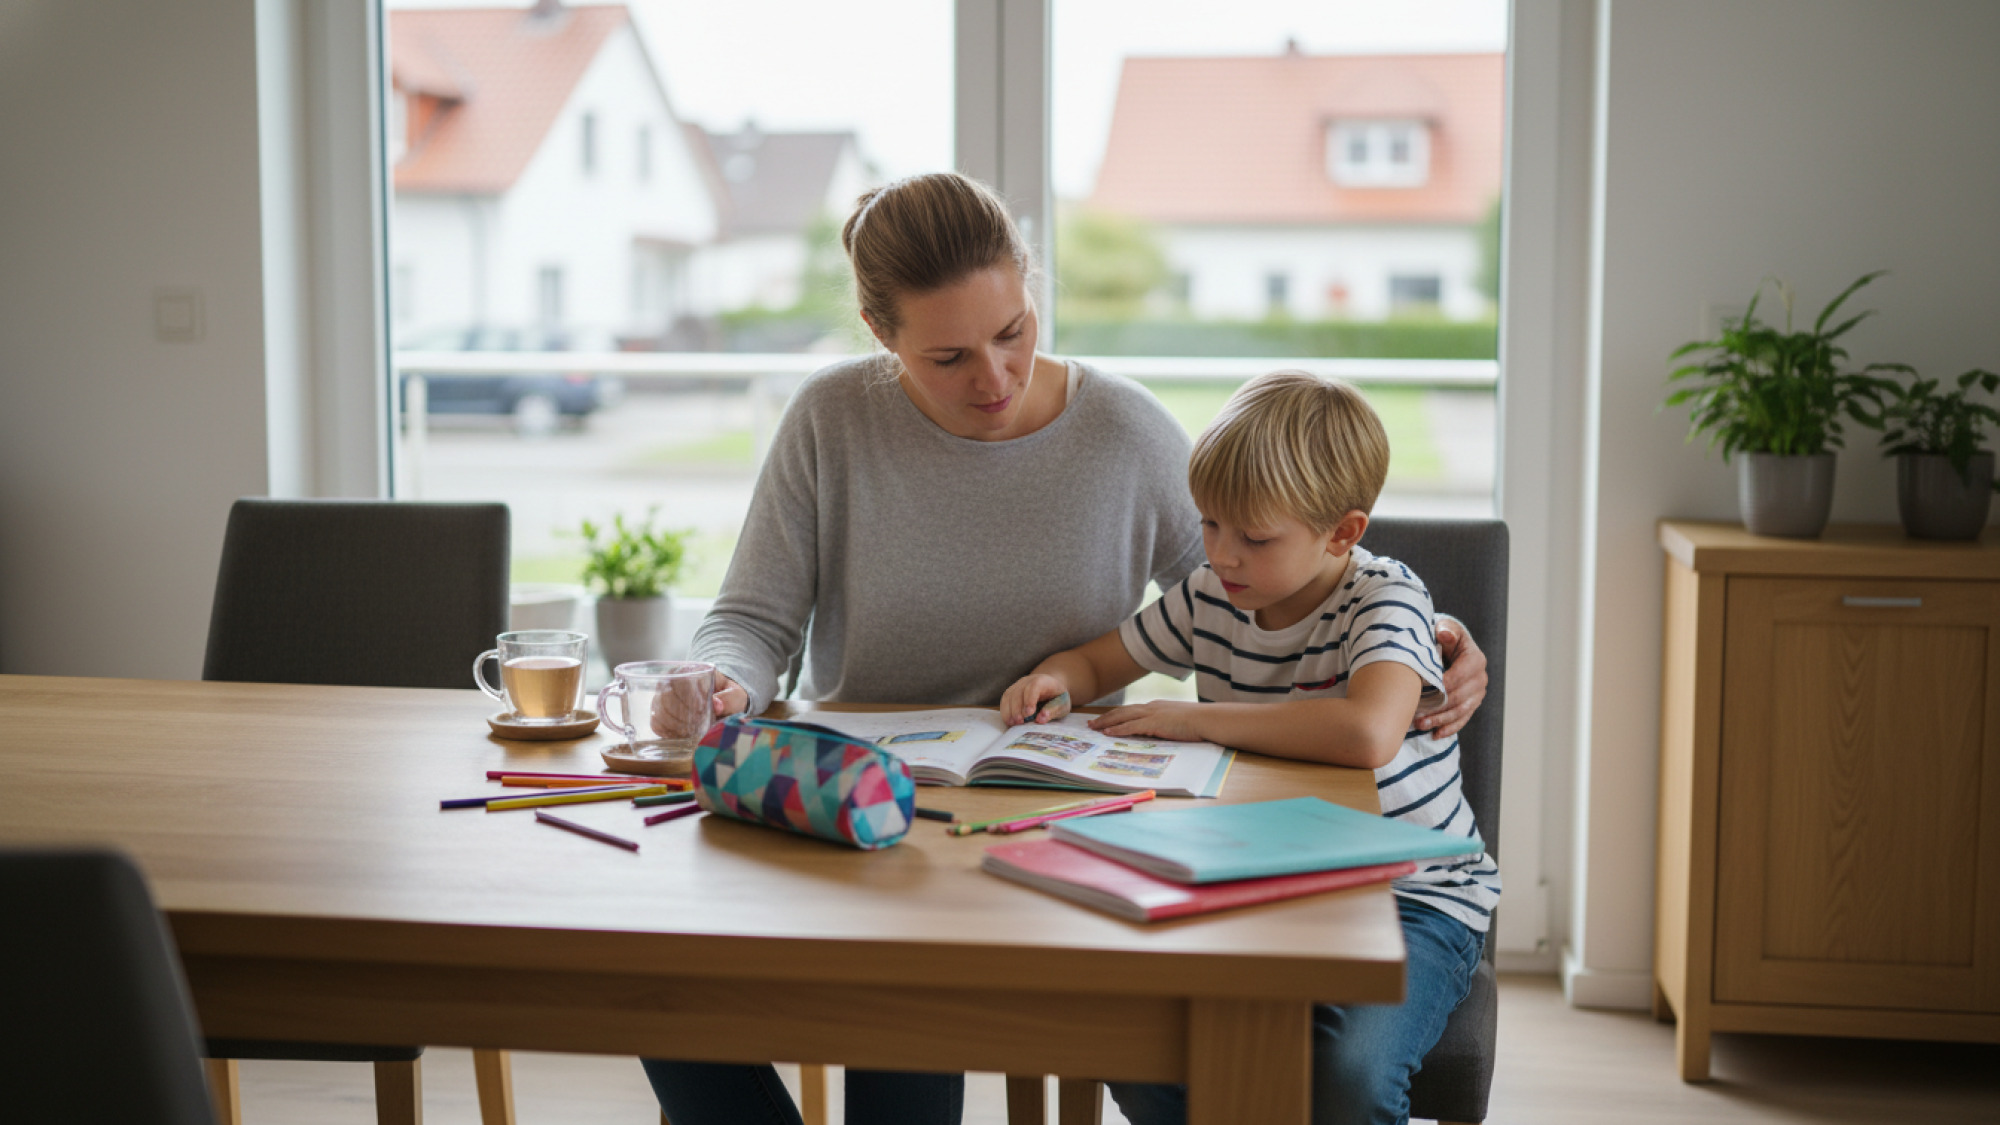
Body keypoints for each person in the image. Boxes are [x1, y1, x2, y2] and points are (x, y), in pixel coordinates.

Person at [642, 172, 1490, 1125]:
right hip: (853, 810)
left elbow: (1270, 579)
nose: (994, 378)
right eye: (951, 355)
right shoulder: (830, 420)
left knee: (910, 1050)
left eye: (1013, 331)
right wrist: (720, 679)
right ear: (884, 336)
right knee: (654, 982)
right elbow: (752, 621)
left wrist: (1438, 637)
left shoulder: (1124, 432)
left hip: (1046, 825)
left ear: (1031, 287)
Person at [999, 370, 1500, 1125]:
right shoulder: (1213, 596)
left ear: (1342, 532)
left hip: (1410, 896)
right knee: (1126, 1042)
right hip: (1253, 875)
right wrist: (1054, 679)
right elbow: (1102, 661)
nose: (1222, 554)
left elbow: (1368, 731)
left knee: (1351, 1076)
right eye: (1209, 525)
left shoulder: (1388, 598)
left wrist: (1200, 717)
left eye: (1253, 537)